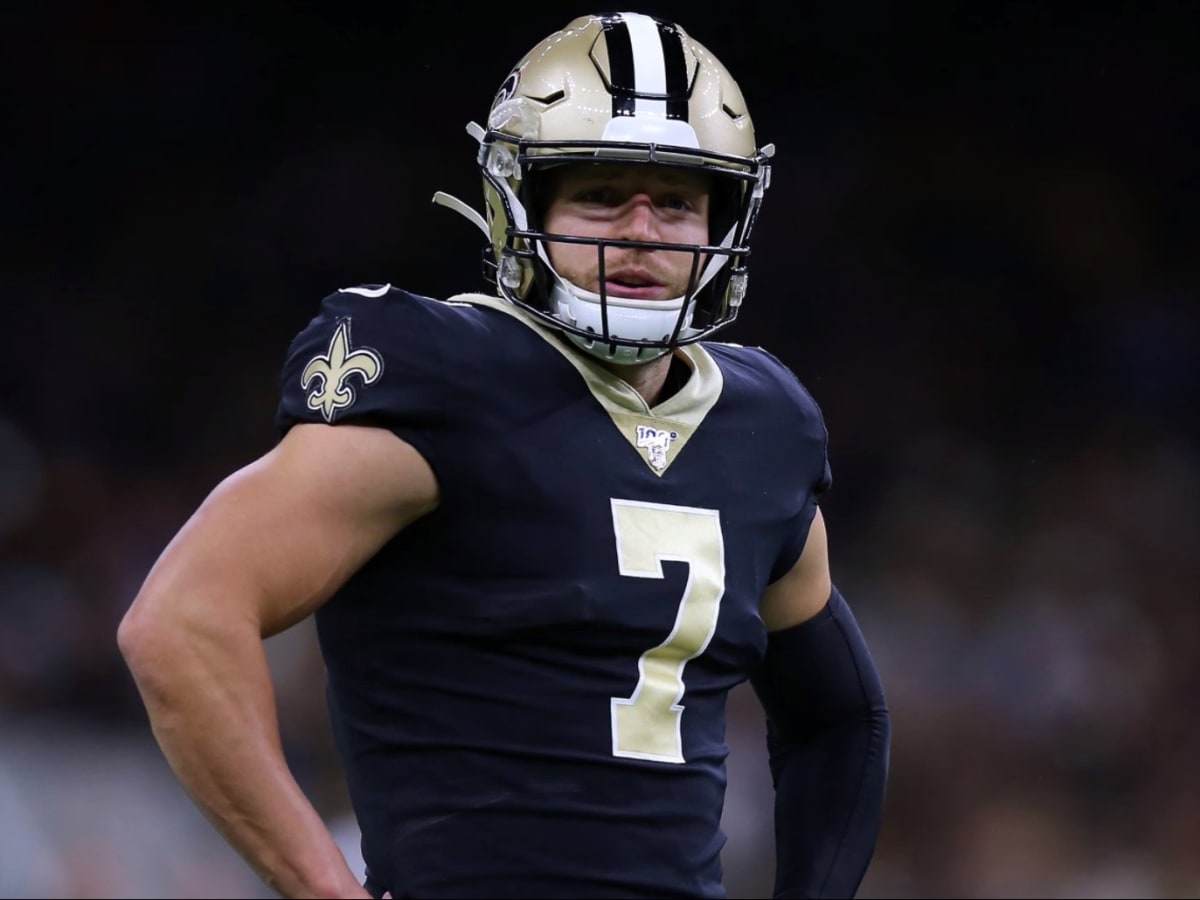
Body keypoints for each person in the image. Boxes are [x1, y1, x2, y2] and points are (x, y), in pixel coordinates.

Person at [117, 12, 890, 899]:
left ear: (726, 218)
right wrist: (325, 890)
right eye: (602, 194)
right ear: (522, 203)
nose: (642, 230)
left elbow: (840, 718)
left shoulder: (763, 425)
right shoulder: (449, 374)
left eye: (676, 201)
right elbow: (179, 623)